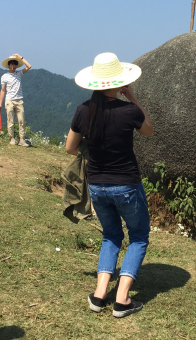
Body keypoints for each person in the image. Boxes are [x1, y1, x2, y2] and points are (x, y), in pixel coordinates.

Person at [66, 52, 154, 318]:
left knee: (111, 235)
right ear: (120, 83)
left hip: (96, 184)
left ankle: (99, 295)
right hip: (126, 184)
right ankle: (122, 299)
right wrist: (135, 98)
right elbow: (149, 130)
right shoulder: (128, 111)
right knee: (138, 237)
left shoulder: (83, 110)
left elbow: (70, 148)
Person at [0, 53, 32, 146]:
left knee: (21, 121)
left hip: (19, 100)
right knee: (10, 120)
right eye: (12, 63)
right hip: (9, 101)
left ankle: (21, 139)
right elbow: (2, 90)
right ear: (9, 65)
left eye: (15, 63)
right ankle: (12, 138)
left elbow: (29, 66)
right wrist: (0, 104)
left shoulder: (19, 73)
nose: (14, 65)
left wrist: (20, 57)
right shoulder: (4, 76)